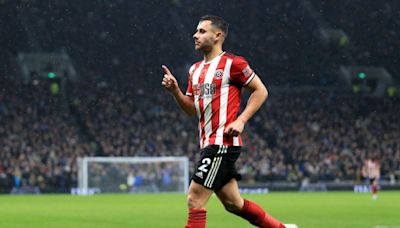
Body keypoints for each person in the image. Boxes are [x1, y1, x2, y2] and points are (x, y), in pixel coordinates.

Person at [162, 15, 297, 228]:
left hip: (222, 143)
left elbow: (260, 91)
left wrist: (242, 120)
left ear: (218, 36)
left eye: (201, 31)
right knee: (234, 204)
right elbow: (192, 110)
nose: (195, 35)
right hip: (208, 144)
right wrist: (175, 92)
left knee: (195, 199)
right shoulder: (194, 70)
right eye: (196, 31)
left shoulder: (233, 63)